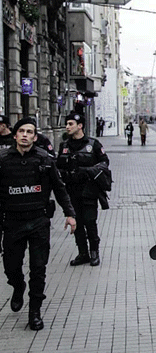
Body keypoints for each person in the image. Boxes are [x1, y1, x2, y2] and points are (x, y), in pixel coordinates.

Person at [0, 117, 76, 330]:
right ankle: (17, 286)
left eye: (29, 132)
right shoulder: (3, 160)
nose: (25, 135)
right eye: (21, 131)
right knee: (11, 266)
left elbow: (60, 189)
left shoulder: (45, 159)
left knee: (38, 268)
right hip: (12, 222)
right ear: (15, 135)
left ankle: (35, 311)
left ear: (35, 137)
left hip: (38, 221)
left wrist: (70, 214)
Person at [57, 112, 110, 267]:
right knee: (77, 223)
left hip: (89, 191)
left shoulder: (93, 144)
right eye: (67, 124)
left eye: (71, 124)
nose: (67, 127)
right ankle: (83, 253)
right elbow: (58, 167)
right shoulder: (64, 146)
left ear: (80, 126)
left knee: (90, 222)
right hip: (71, 191)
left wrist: (89, 171)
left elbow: (104, 162)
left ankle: (94, 252)